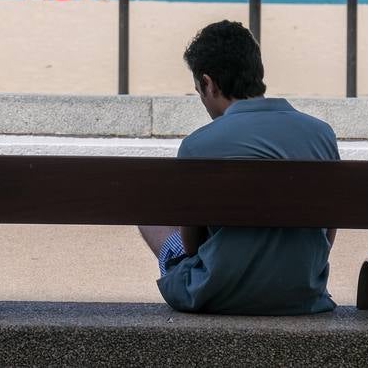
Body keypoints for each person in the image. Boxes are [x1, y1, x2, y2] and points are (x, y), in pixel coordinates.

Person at [139, 20, 339, 315]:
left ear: (208, 83)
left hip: (214, 294)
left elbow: (192, 247)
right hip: (302, 294)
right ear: (257, 72)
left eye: (199, 90)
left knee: (149, 215)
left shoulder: (198, 146)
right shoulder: (321, 135)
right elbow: (327, 234)